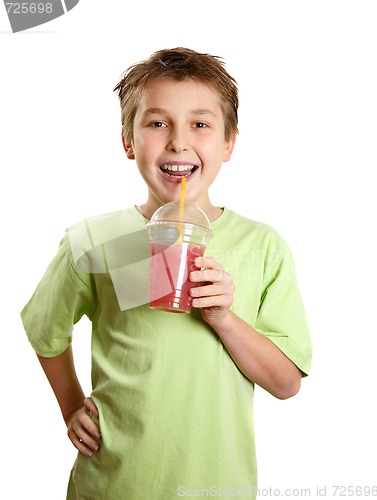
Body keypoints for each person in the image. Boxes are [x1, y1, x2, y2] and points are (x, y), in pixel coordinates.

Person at [21, 47, 312, 499]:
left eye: (200, 124)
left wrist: (224, 318)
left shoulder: (263, 246)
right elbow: (44, 330)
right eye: (157, 123)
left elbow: (286, 383)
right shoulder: (94, 240)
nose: (178, 141)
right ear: (128, 141)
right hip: (112, 485)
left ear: (229, 142)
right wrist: (70, 406)